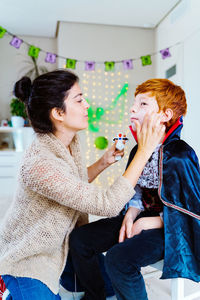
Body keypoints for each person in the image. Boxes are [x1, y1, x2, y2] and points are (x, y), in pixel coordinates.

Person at [0, 70, 165, 300]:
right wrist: (145, 151)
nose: (87, 104)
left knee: (108, 285)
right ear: (58, 113)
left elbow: (70, 183)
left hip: (62, 247)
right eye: (79, 100)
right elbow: (107, 204)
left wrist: (103, 162)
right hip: (28, 261)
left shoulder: (68, 141)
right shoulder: (39, 164)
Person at [69, 78, 200, 300]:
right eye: (134, 103)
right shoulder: (138, 150)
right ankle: (97, 294)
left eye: (143, 104)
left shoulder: (180, 155)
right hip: (140, 215)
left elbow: (190, 209)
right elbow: (136, 190)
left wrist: (152, 221)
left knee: (119, 259)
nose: (133, 108)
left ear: (165, 115)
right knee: (80, 239)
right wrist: (131, 214)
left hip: (170, 229)